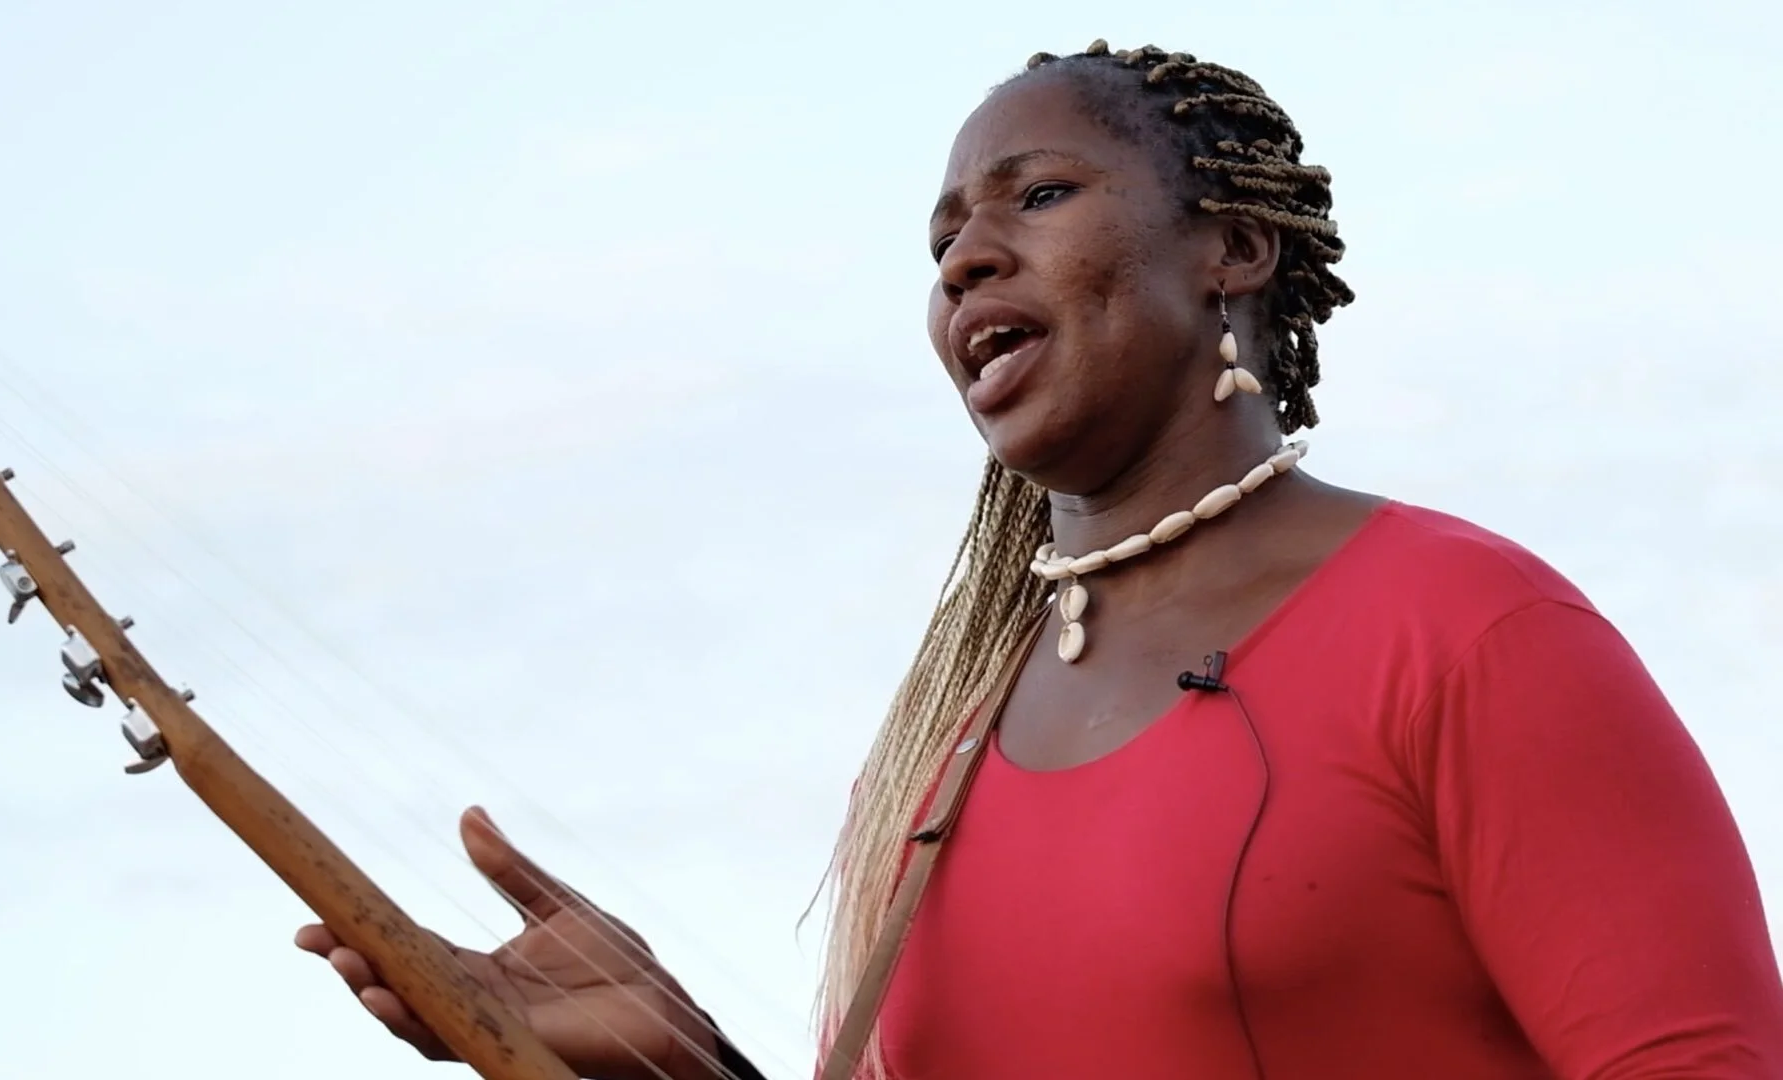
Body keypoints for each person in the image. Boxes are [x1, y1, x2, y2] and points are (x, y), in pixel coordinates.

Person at [293, 39, 1783, 1080]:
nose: (966, 257)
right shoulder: (929, 763)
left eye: (1039, 195)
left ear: (1233, 249)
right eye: (944, 238)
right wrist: (677, 1058)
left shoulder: (1466, 630)